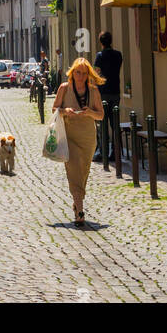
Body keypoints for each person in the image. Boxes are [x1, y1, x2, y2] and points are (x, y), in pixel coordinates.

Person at [53, 57, 105, 225]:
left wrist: (89, 112)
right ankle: (80, 211)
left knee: (83, 172)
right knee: (74, 169)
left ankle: (77, 202)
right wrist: (64, 111)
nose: (80, 76)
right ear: (72, 73)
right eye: (77, 72)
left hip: (88, 137)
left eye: (83, 73)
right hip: (69, 136)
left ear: (88, 74)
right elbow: (54, 109)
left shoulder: (93, 91)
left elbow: (101, 115)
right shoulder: (64, 88)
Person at [93, 30, 123, 162]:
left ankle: (103, 152)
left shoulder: (100, 56)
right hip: (115, 91)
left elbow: (96, 73)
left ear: (101, 42)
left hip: (103, 92)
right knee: (115, 123)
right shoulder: (118, 55)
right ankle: (116, 153)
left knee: (102, 122)